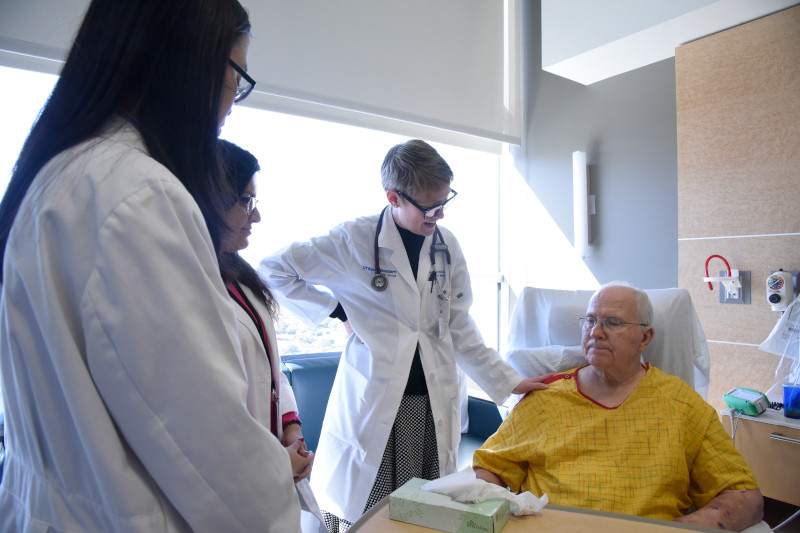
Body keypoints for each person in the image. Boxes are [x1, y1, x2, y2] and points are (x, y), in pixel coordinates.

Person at [0, 1, 300, 531]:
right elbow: (212, 446)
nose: (234, 98)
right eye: (238, 73)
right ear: (189, 63)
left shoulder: (57, 177)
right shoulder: (138, 193)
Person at [260, 139, 548, 531]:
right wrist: (337, 310)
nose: (440, 214)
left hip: (431, 405)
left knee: (425, 514)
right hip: (376, 401)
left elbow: (460, 325)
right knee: (368, 514)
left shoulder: (448, 247)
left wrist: (510, 381)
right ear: (394, 197)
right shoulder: (353, 241)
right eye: (430, 207)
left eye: (446, 201)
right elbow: (274, 270)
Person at [473, 282, 764, 532]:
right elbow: (488, 468)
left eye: (612, 323)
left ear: (645, 337)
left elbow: (744, 496)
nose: (596, 332)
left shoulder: (682, 406)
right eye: (589, 320)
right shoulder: (545, 399)